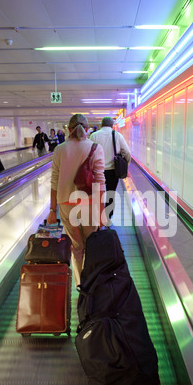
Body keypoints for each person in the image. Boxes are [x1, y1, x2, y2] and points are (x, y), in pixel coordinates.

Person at [47, 113, 106, 287]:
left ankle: (80, 285)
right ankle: (92, 283)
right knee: (91, 245)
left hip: (66, 203)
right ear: (87, 130)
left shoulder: (60, 149)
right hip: (89, 203)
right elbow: (100, 183)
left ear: (69, 129)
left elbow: (54, 181)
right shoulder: (96, 148)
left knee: (76, 247)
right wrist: (102, 212)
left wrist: (52, 210)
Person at [90, 116, 131, 221]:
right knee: (111, 194)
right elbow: (127, 152)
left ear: (101, 125)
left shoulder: (94, 136)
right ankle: (108, 217)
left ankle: (97, 216)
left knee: (98, 193)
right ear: (112, 125)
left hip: (97, 171)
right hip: (113, 171)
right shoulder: (117, 135)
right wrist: (126, 164)